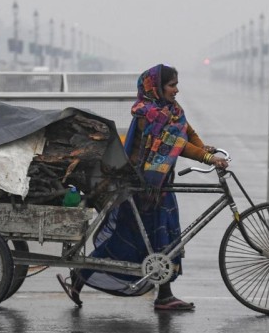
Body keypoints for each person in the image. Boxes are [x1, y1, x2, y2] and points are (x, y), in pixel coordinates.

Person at [57, 64, 228, 311]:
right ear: (156, 88)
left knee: (165, 238)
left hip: (161, 186)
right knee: (132, 240)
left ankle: (164, 295)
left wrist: (206, 148)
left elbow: (188, 131)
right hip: (143, 187)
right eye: (172, 85)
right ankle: (83, 276)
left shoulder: (171, 110)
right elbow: (177, 144)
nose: (176, 90)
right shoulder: (149, 114)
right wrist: (207, 158)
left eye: (176, 84)